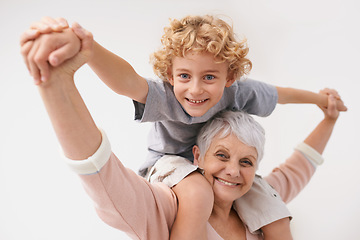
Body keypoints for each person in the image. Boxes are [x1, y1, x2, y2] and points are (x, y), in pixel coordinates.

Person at [20, 16, 346, 239]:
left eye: (209, 77)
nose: (195, 91)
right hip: (168, 166)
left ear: (229, 78)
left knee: (271, 198)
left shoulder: (240, 94)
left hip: (201, 170)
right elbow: (127, 82)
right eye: (184, 77)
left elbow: (279, 96)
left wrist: (321, 102)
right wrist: (88, 50)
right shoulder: (168, 99)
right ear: (171, 76)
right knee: (196, 189)